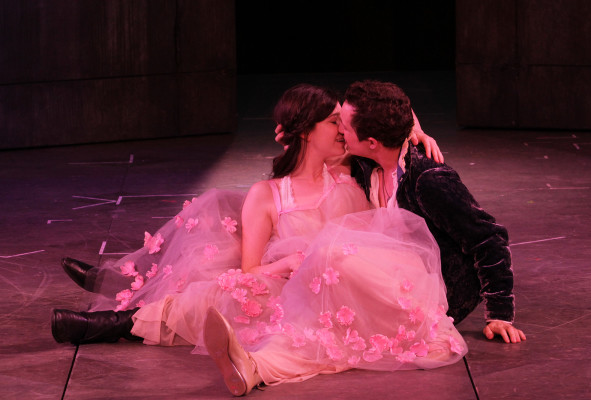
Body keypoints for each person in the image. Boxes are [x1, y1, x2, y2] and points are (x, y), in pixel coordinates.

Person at [53, 84, 467, 396]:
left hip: (334, 289)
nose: (342, 130)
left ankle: (119, 310)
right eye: (332, 124)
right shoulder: (269, 194)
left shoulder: (350, 181)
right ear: (307, 132)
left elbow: (384, 116)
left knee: (249, 301)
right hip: (287, 282)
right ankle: (109, 310)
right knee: (222, 279)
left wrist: (418, 131)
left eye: (342, 124)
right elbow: (253, 267)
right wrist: (286, 266)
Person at [335, 80, 526, 344]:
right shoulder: (369, 164)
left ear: (372, 142)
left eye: (344, 126)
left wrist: (500, 314)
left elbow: (489, 239)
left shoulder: (428, 180)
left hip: (435, 294)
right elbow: (393, 105)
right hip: (392, 272)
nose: (339, 129)